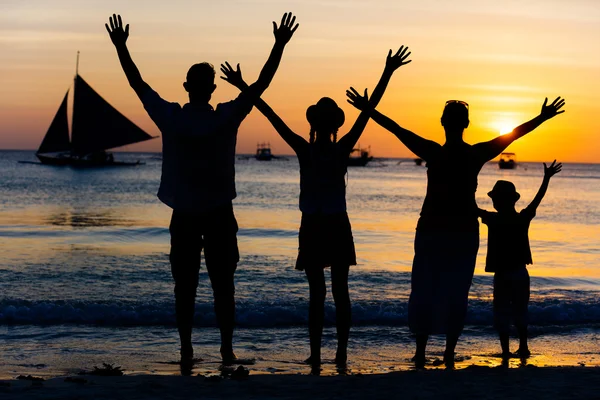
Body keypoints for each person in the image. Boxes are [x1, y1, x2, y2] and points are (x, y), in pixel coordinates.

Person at [105, 12, 299, 366]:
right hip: (218, 214)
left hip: (187, 215)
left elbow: (138, 83)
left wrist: (122, 47)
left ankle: (187, 350)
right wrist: (278, 45)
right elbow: (260, 85)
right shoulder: (222, 116)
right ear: (211, 88)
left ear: (186, 87)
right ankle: (225, 349)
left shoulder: (173, 117)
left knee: (186, 287)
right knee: (223, 286)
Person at [221, 46, 412, 370]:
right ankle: (337, 353)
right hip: (333, 223)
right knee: (338, 292)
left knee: (321, 294)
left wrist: (243, 88)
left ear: (317, 125)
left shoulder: (308, 149)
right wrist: (387, 73)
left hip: (317, 224)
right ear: (333, 125)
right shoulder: (335, 149)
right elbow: (367, 113)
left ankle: (322, 354)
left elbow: (271, 116)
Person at [347, 89, 565, 367]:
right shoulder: (473, 154)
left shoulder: (434, 152)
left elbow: (396, 129)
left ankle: (422, 351)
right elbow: (513, 134)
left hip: (435, 230)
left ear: (443, 122)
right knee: (455, 291)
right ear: (465, 124)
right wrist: (542, 117)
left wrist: (368, 109)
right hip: (458, 232)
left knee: (425, 288)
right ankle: (447, 351)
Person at [479, 161, 562, 360]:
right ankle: (523, 346)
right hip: (520, 273)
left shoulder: (494, 219)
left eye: (495, 199)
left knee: (501, 311)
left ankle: (506, 351)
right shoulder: (522, 218)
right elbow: (537, 199)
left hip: (503, 274)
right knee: (520, 310)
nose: (494, 202)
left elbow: (471, 209)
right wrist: (546, 179)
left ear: (499, 201)